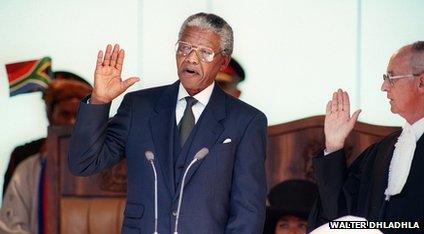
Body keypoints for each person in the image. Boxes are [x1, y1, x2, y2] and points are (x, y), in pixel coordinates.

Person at [68, 13, 268, 233]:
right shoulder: (140, 107)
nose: (191, 58)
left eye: (204, 52)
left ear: (223, 61)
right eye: (184, 47)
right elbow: (83, 163)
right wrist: (99, 101)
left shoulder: (246, 121)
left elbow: (248, 211)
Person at [308, 41, 424, 234]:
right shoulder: (382, 152)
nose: (384, 87)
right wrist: (334, 146)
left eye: (391, 77)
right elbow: (338, 214)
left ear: (421, 82)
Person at [0, 77, 92, 234]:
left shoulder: (108, 165)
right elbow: (10, 227)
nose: (71, 122)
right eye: (64, 114)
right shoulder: (29, 169)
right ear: (50, 116)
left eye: (77, 116)